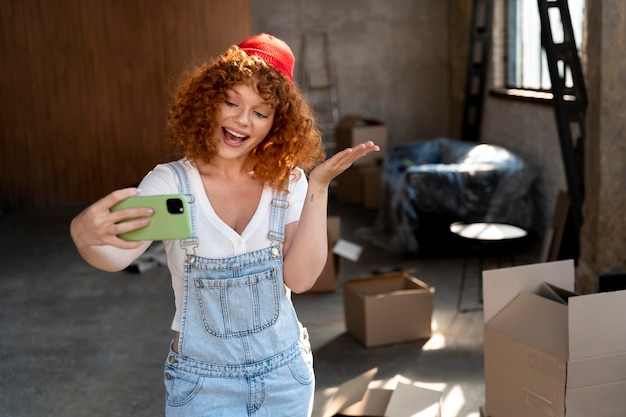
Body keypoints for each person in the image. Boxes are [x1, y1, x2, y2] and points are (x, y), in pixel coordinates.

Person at [70, 33, 379, 417]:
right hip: (202, 384)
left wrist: (318, 186)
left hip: (285, 375)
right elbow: (117, 256)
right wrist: (84, 237)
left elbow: (300, 279)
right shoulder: (171, 184)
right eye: (231, 102)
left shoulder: (290, 184)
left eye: (260, 112)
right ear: (208, 102)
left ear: (276, 124)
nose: (240, 119)